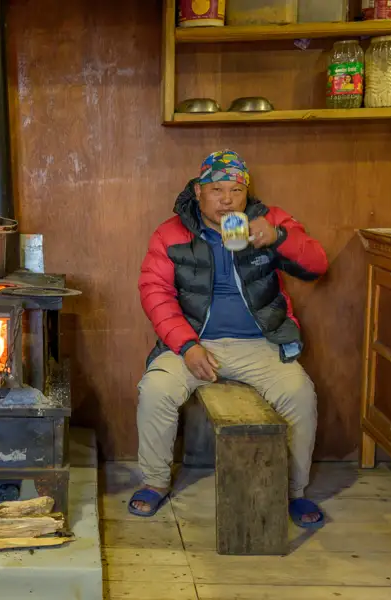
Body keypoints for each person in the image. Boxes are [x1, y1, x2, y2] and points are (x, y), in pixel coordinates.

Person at [132, 150, 329, 529]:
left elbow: (317, 265)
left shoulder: (268, 222)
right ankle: (154, 482)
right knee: (155, 389)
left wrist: (280, 238)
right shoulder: (170, 233)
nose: (226, 199)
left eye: (235, 190)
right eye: (216, 189)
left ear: (246, 193)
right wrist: (187, 346)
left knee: (300, 394)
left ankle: (294, 491)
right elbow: (154, 292)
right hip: (194, 343)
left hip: (260, 343)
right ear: (197, 190)